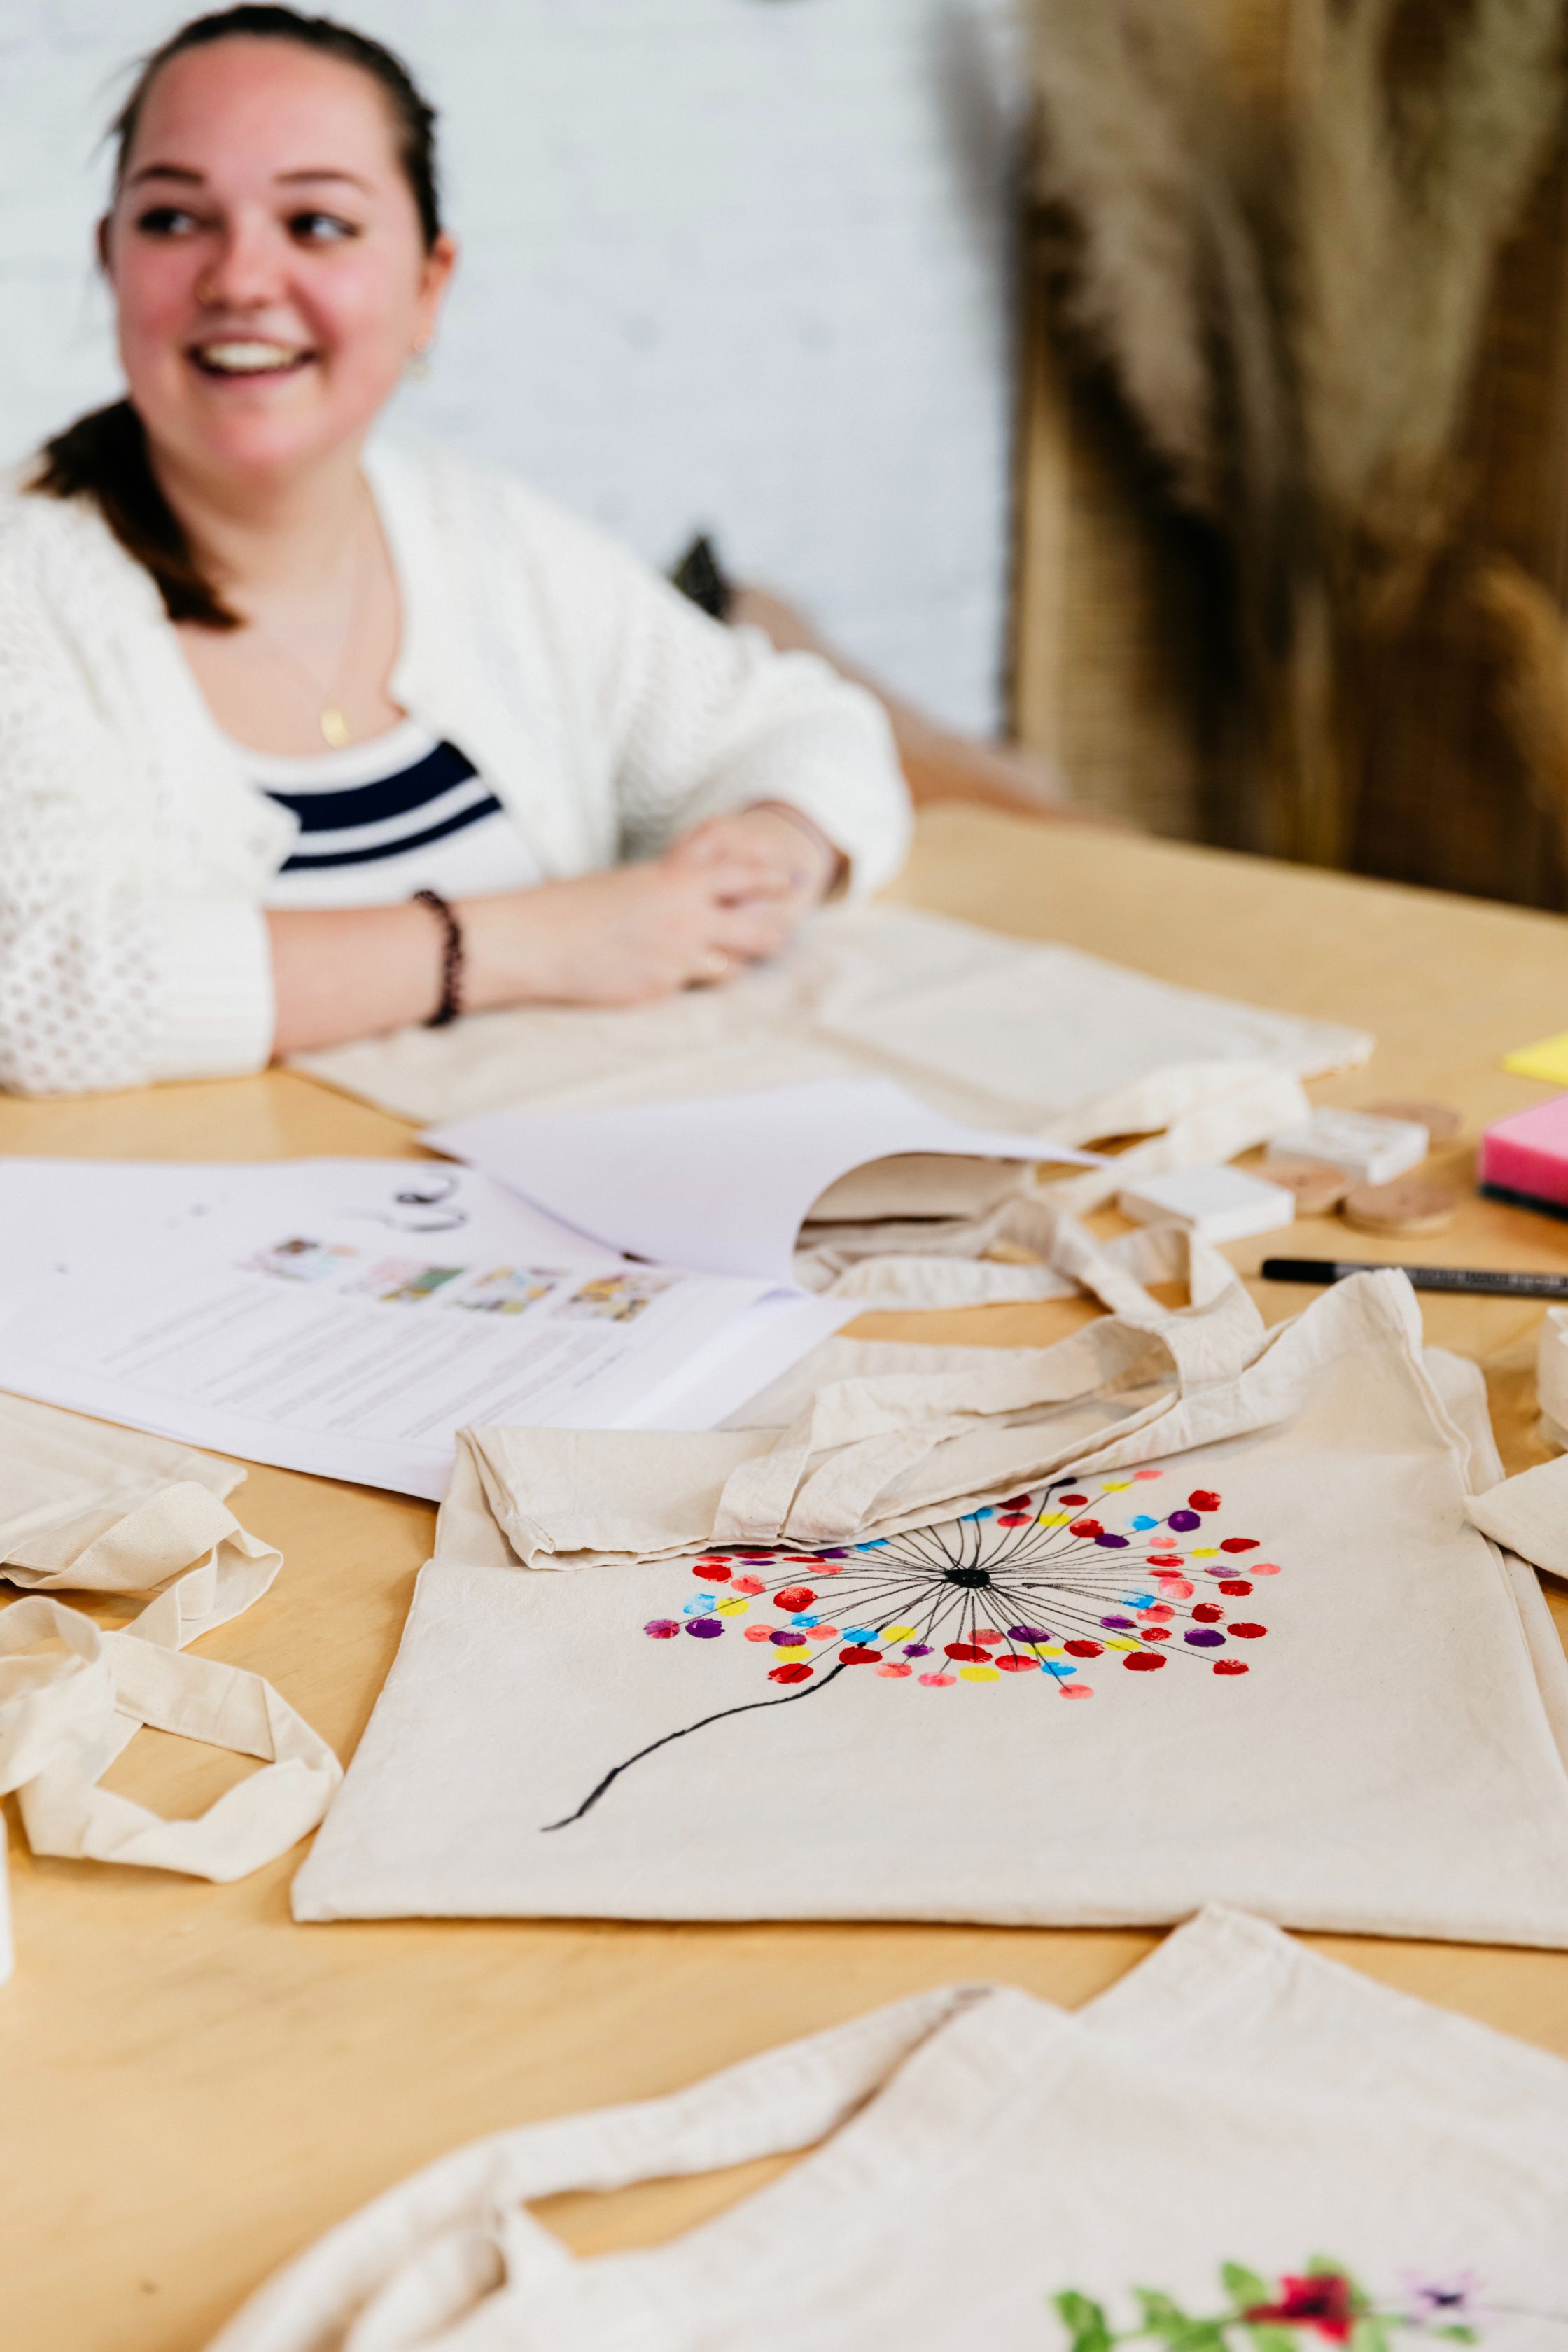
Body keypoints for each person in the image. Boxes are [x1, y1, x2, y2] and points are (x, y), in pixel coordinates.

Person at [0, 6, 910, 1098]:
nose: (240, 278)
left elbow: (804, 727)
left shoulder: (491, 542)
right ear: (111, 260)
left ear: (428, 285)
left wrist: (776, 842)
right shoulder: (29, 586)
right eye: (173, 219)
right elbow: (46, 994)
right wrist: (543, 941)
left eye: (318, 224)